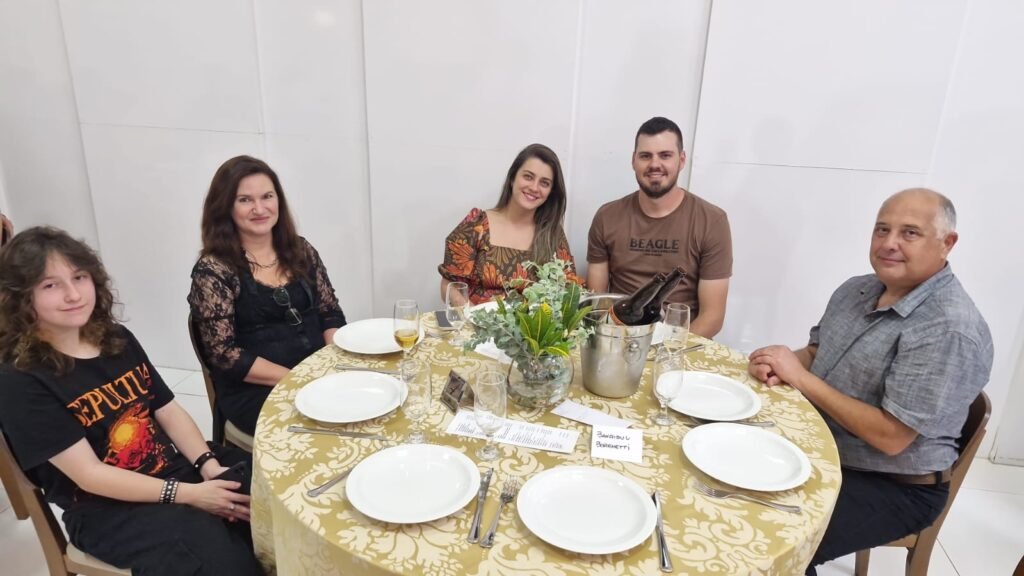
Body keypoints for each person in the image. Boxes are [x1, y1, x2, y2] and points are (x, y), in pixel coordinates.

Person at [747, 188, 992, 575]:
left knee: (770, 540)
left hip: (895, 484)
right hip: (824, 445)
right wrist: (779, 365)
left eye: (910, 233)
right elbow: (816, 352)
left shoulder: (948, 328)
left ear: (947, 243)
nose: (889, 243)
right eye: (882, 229)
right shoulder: (857, 288)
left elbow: (891, 437)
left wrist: (800, 378)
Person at [0, 227, 260, 575]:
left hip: (170, 467)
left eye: (79, 277)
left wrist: (207, 465)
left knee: (272, 489)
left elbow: (167, 409)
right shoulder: (20, 379)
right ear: (20, 297)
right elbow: (90, 475)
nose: (73, 294)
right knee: (216, 557)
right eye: (50, 285)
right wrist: (191, 494)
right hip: (104, 509)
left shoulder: (114, 338)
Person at [189, 155, 347, 435]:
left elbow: (329, 312)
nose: (259, 208)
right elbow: (225, 355)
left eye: (267, 196)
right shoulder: (214, 270)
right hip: (257, 390)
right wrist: (298, 379)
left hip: (316, 374)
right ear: (225, 207)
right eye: (245, 200)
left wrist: (332, 363)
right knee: (331, 427)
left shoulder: (301, 250)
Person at [587, 116, 732, 337]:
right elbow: (595, 303)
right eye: (645, 156)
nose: (655, 164)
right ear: (633, 161)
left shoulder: (712, 221)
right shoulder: (606, 217)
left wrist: (668, 349)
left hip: (682, 342)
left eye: (665, 155)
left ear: (681, 160)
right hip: (619, 339)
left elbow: (712, 318)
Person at [439, 143, 581, 304]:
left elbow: (569, 291)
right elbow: (449, 286)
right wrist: (472, 315)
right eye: (528, 177)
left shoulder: (552, 235)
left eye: (544, 183)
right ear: (513, 178)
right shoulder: (477, 225)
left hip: (535, 321)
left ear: (551, 192)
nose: (534, 187)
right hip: (475, 318)